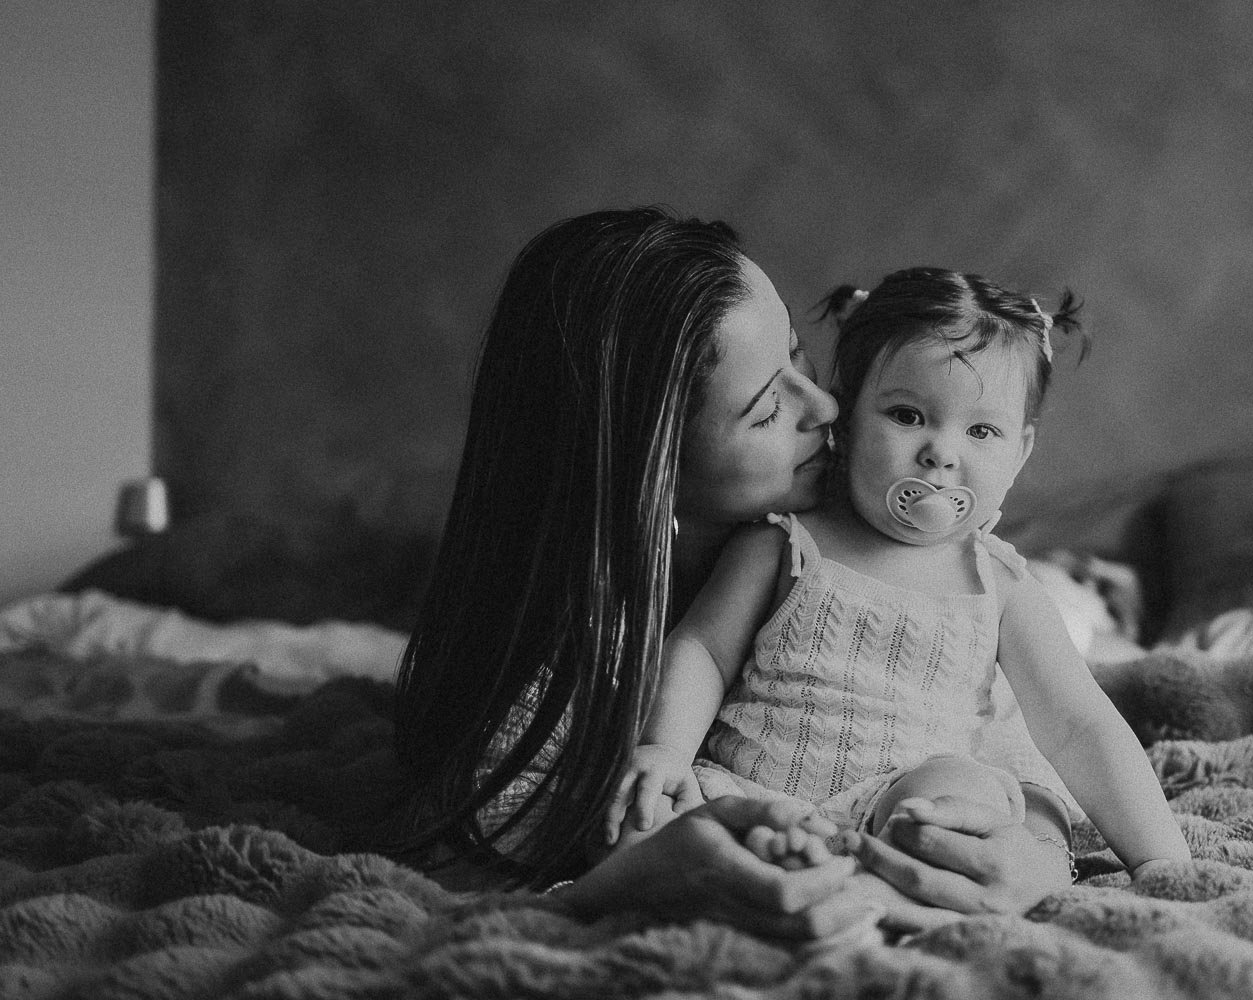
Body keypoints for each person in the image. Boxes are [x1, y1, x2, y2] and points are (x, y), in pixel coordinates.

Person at [392, 209, 1064, 939]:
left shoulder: (871, 541)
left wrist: (1042, 853)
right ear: (646, 469)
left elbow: (1009, 727)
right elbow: (481, 857)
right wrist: (632, 879)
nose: (830, 405)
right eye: (770, 408)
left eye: (800, 358)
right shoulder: (554, 677)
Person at [607, 267, 1191, 910]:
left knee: (961, 793)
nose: (940, 453)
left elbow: (1081, 727)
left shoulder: (998, 585)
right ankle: (791, 875)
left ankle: (896, 876)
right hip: (753, 794)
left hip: (903, 798)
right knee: (648, 823)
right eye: (908, 415)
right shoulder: (783, 541)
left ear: (1020, 452)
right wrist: (663, 750)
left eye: (981, 431)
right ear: (847, 419)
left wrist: (1163, 863)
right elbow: (701, 652)